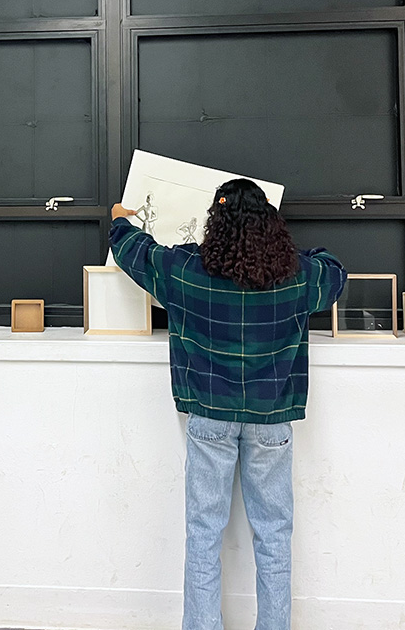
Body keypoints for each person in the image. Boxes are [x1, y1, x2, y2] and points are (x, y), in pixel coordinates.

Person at [109, 178, 347, 630]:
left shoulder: (185, 270)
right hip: (271, 422)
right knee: (275, 537)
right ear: (271, 224)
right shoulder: (298, 276)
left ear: (214, 222)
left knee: (203, 535)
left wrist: (121, 222)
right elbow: (333, 271)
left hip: (209, 418)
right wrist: (299, 254)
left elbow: (136, 252)